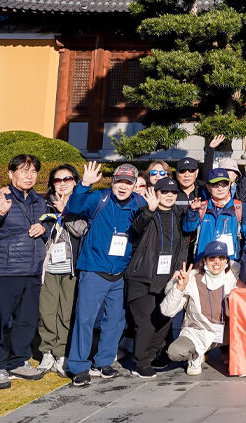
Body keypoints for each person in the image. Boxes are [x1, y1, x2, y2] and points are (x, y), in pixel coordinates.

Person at [64, 162, 145, 387]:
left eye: (128, 182)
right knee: (85, 318)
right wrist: (83, 185)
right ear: (112, 182)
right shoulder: (98, 198)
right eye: (119, 181)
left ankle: (104, 361)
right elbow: (74, 206)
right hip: (94, 269)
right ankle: (79, 365)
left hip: (120, 271)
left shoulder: (139, 203)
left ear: (134, 185)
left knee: (115, 320)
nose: (123, 186)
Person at [0, 154, 49, 389]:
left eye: (34, 171)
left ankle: (18, 361)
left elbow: (49, 224)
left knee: (26, 321)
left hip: (32, 271)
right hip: (5, 271)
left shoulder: (39, 201)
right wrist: (1, 213)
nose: (29, 176)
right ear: (10, 174)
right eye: (24, 171)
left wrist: (44, 227)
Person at [123, 175, 189, 377]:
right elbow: (136, 229)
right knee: (145, 321)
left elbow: (182, 245)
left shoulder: (178, 215)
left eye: (173, 192)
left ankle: (150, 356)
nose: (169, 195)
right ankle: (140, 362)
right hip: (142, 276)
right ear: (155, 193)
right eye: (164, 192)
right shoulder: (147, 212)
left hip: (167, 277)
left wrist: (178, 267)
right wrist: (149, 210)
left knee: (164, 320)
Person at [33, 164, 84, 377]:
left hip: (71, 267)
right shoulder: (42, 205)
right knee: (47, 311)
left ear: (75, 181)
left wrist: (67, 212)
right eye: (58, 180)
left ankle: (62, 352)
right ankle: (47, 352)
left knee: (66, 312)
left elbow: (82, 230)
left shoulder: (82, 204)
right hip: (49, 267)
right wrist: (45, 225)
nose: (63, 184)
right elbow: (38, 230)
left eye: (68, 179)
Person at [160, 240, 237, 375]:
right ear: (205, 260)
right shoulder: (191, 278)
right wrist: (179, 288)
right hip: (199, 332)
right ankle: (196, 355)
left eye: (221, 258)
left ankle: (227, 350)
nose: (217, 262)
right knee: (175, 351)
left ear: (226, 261)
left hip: (227, 332)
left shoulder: (233, 278)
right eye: (212, 258)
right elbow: (167, 311)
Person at [183, 168, 246, 262]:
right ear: (208, 187)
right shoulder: (201, 207)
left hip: (229, 265)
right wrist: (192, 211)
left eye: (224, 184)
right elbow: (187, 229)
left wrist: (245, 260)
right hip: (203, 264)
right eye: (215, 184)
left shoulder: (240, 207)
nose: (220, 188)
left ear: (230, 185)